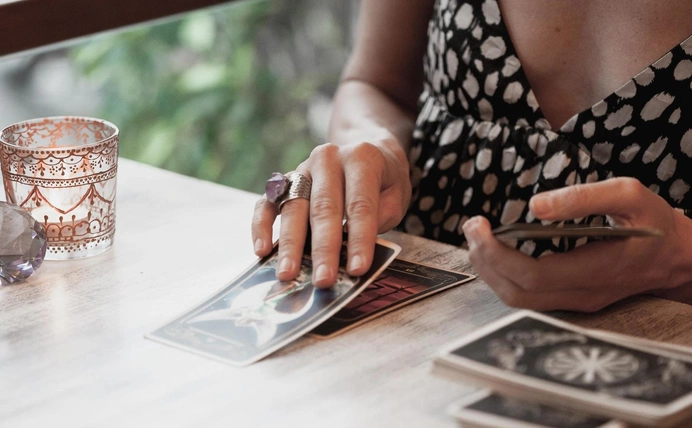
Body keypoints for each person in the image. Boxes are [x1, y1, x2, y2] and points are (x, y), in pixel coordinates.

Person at [251, 0, 692, 312]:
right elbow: (376, 84)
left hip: (664, 340)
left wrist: (681, 257)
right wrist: (376, 147)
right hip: (416, 315)